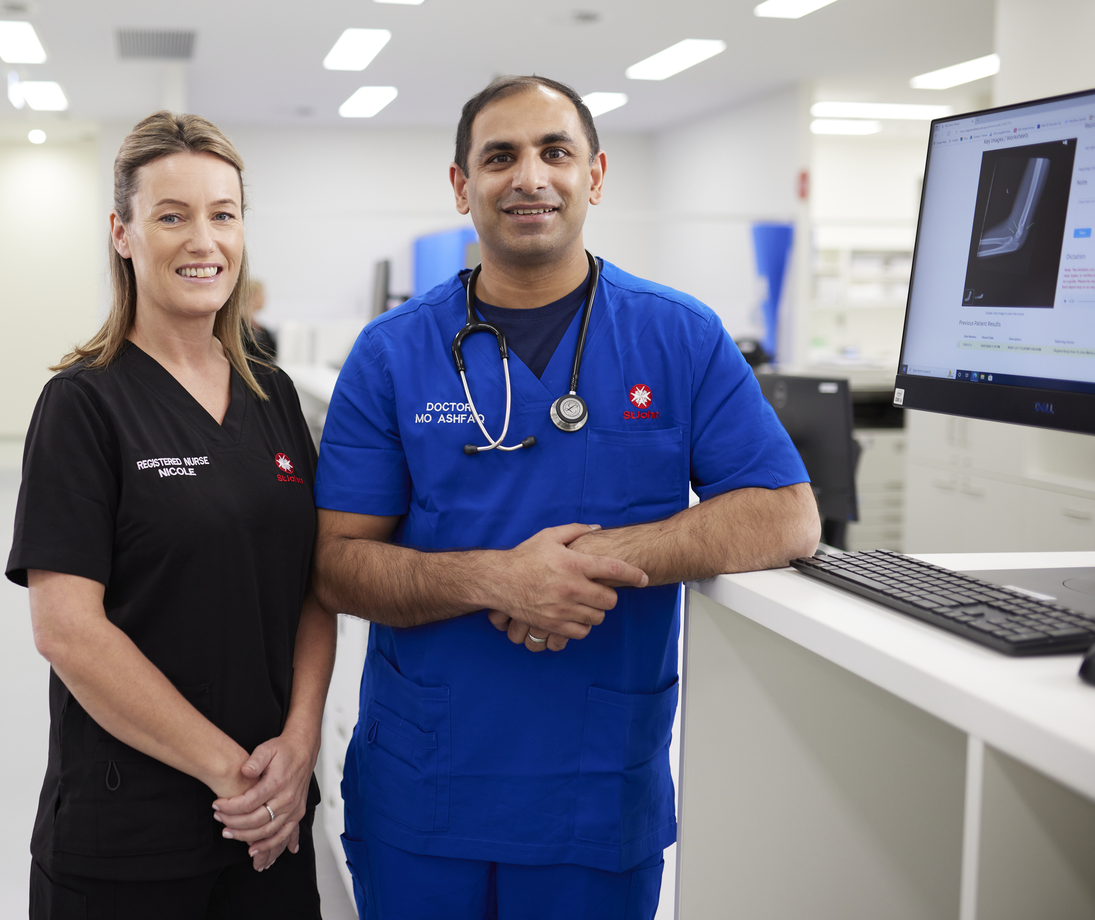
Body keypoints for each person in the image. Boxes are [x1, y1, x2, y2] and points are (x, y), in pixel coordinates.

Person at [312, 76, 819, 919]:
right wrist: (495, 580)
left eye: (555, 152)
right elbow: (336, 566)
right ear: (461, 184)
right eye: (500, 157)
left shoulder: (678, 335)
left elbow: (786, 512)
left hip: (595, 791)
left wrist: (598, 562)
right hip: (427, 787)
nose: (529, 177)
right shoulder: (392, 353)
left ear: (596, 173)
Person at [6, 111, 335, 919]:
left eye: (224, 215)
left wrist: (299, 748)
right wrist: (233, 774)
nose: (204, 240)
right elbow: (68, 631)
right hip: (132, 834)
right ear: (121, 234)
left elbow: (312, 589)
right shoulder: (84, 405)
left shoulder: (273, 392)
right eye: (172, 216)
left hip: (273, 825)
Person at [244, 278, 278, 361]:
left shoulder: (260, 327)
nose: (265, 298)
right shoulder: (240, 327)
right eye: (262, 294)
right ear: (251, 295)